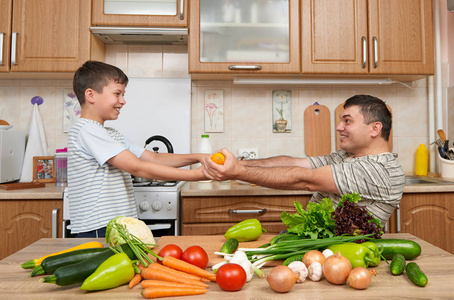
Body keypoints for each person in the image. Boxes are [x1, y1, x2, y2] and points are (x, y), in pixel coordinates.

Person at [203, 95, 405, 226]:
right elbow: (297, 164)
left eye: (347, 121)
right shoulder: (347, 156)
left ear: (375, 129)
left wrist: (237, 171)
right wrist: (236, 165)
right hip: (318, 247)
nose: (338, 127)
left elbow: (305, 179)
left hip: (342, 256)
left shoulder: (379, 170)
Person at [68, 60, 208, 238]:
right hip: (99, 227)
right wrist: (197, 175)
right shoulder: (87, 130)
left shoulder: (109, 133)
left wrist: (200, 157)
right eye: (117, 94)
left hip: (115, 225)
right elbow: (137, 167)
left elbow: (153, 158)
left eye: (123, 94)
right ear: (91, 95)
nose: (123, 101)